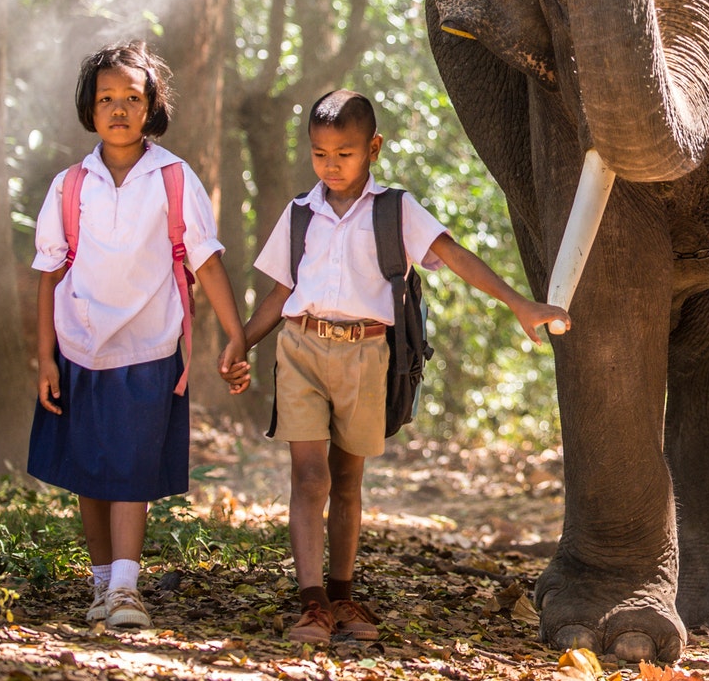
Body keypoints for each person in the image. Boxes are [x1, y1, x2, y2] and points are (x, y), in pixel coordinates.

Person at [241, 90, 570, 645]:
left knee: (347, 480)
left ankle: (343, 597)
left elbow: (456, 255)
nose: (331, 165)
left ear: (373, 148)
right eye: (320, 154)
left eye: (344, 153)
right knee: (309, 476)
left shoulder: (394, 209)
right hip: (300, 348)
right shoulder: (301, 214)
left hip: (368, 354)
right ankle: (311, 602)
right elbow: (279, 293)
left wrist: (519, 302)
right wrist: (241, 342)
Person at [29, 42, 250, 632]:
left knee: (128, 469)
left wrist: (237, 337)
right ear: (89, 108)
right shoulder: (70, 186)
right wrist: (46, 358)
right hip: (79, 347)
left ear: (153, 106)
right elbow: (50, 275)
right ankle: (101, 586)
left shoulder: (174, 180)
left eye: (133, 97)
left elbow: (205, 261)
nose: (119, 108)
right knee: (90, 473)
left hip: (150, 346)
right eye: (107, 99)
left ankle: (127, 587)